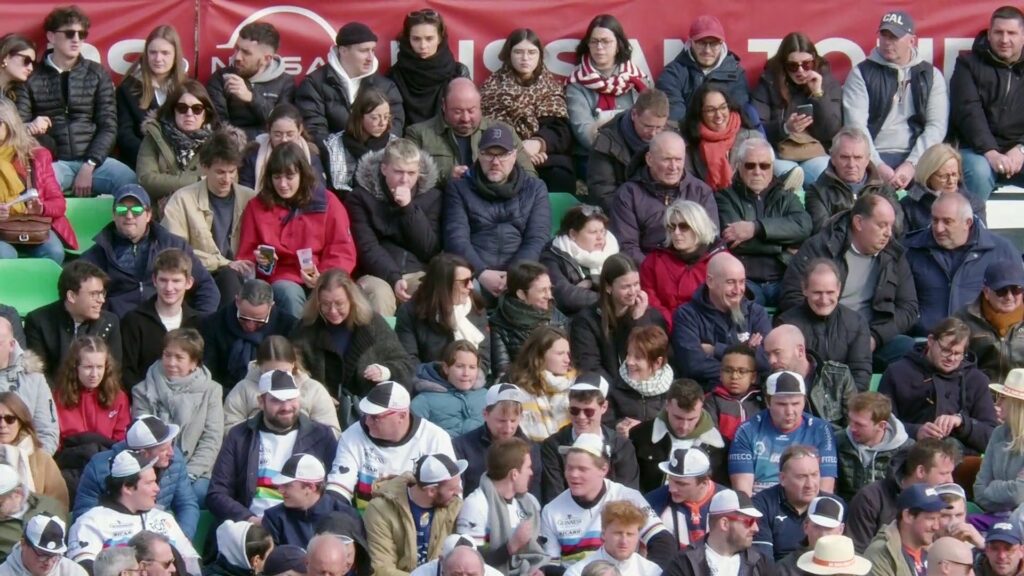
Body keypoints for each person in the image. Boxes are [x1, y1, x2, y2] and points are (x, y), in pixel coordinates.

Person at [780, 193, 917, 371]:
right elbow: (792, 296)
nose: (888, 233)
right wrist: (830, 335)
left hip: (870, 338)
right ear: (859, 222)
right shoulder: (821, 246)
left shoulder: (894, 255)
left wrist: (875, 337)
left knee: (906, 347)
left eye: (891, 226)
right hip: (822, 339)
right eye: (882, 225)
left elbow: (909, 308)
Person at [14, 6, 136, 197]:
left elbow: (109, 125)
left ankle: (120, 227)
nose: (77, 39)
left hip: (96, 163)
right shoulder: (31, 77)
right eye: (70, 33)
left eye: (82, 34)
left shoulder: (97, 73)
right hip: (54, 163)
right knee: (36, 187)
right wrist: (35, 133)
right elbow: (19, 127)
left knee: (129, 182)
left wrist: (90, 165)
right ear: (51, 37)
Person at [238, 144, 357, 317]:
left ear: (302, 174)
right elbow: (246, 255)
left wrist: (323, 277)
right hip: (281, 279)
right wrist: (259, 262)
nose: (283, 184)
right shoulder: (256, 206)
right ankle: (299, 343)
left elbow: (342, 250)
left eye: (290, 176)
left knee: (348, 296)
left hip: (324, 276)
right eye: (276, 177)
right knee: (289, 293)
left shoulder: (328, 202)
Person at [207, 370, 338, 523]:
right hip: (252, 527)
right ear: (261, 402)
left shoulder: (321, 435)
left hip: (303, 525)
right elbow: (217, 493)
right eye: (277, 400)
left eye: (291, 399)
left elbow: (332, 490)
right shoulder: (240, 435)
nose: (287, 407)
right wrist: (249, 519)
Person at [843, 11, 948, 190]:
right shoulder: (861, 73)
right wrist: (877, 165)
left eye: (895, 37)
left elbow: (936, 127)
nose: (887, 42)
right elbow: (856, 126)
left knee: (943, 190)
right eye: (884, 35)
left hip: (918, 155)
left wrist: (912, 164)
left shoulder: (931, 75)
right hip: (873, 153)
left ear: (911, 40)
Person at [442, 125, 549, 302]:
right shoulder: (458, 188)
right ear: (479, 154)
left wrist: (515, 276)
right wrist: (481, 273)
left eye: (503, 154)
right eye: (488, 153)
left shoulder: (535, 188)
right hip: (473, 272)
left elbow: (537, 238)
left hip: (521, 272)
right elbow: (456, 238)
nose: (495, 161)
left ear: (514, 156)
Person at [80, 184, 219, 318]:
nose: (129, 216)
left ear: (148, 215)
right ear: (114, 215)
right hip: (119, 328)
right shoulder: (98, 253)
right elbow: (80, 294)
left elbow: (207, 287)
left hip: (167, 326)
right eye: (122, 210)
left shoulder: (174, 245)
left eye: (136, 210)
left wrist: (199, 323)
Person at [539, 433, 675, 567]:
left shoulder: (629, 497)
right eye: (569, 468)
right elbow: (551, 567)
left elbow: (663, 541)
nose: (574, 475)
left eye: (582, 469)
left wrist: (651, 572)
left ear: (604, 469)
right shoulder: (551, 510)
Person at [346, 138, 442, 316]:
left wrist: (408, 209)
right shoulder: (360, 197)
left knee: (434, 291)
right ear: (384, 169)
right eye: (398, 172)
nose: (405, 180)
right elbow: (367, 247)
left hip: (417, 271)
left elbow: (428, 249)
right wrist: (394, 278)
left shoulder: (433, 197)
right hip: (375, 273)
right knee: (380, 295)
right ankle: (384, 344)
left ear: (419, 172)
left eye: (411, 173)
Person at [162, 129, 256, 307]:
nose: (227, 179)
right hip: (199, 274)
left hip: (243, 273)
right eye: (220, 172)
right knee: (228, 277)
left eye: (232, 172)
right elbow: (176, 251)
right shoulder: (182, 200)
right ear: (205, 167)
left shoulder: (250, 198)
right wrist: (224, 263)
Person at [327, 381, 455, 510]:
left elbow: (451, 493)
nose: (367, 421)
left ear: (402, 415)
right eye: (366, 414)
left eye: (375, 417)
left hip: (418, 521)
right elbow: (339, 487)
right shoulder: (352, 435)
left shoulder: (435, 438)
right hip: (364, 521)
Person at [879, 317, 998, 455]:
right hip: (910, 455)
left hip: (961, 460)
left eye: (958, 353)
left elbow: (992, 437)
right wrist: (916, 431)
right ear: (930, 341)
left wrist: (962, 423)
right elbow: (882, 424)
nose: (952, 358)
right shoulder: (898, 372)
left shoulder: (976, 380)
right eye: (946, 350)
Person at [905, 193, 1021, 333]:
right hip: (923, 342)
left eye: (947, 221)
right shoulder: (911, 249)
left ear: (968, 223)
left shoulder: (1001, 251)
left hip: (982, 344)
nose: (938, 228)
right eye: (935, 220)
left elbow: (1018, 299)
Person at [717, 137, 812, 306]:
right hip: (746, 281)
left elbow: (804, 227)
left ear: (772, 167)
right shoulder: (724, 197)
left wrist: (755, 228)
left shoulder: (786, 196)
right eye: (750, 165)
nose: (757, 171)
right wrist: (782, 245)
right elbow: (733, 240)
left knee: (803, 308)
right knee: (747, 313)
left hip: (784, 278)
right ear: (738, 166)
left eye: (764, 165)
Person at [131, 328, 223, 503]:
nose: (171, 362)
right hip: (154, 467)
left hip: (196, 470)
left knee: (197, 494)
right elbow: (143, 437)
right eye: (167, 355)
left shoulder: (212, 391)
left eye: (179, 357)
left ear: (194, 363)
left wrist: (190, 473)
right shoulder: (142, 390)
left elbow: (212, 437)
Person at [291, 269, 413, 401]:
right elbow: (294, 370)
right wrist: (318, 396)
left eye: (339, 304)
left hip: (369, 405)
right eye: (325, 304)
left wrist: (385, 371)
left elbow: (405, 365)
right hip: (320, 408)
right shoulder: (306, 328)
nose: (332, 311)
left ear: (352, 300)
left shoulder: (373, 323)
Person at [68, 451, 199, 573]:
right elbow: (83, 570)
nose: (157, 489)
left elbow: (192, 562)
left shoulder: (165, 518)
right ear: (127, 487)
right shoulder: (91, 522)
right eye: (150, 483)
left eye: (156, 482)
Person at [481, 28, 574, 194]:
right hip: (504, 154)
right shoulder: (492, 87)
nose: (525, 58)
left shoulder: (549, 87)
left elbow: (560, 130)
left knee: (561, 175)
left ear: (540, 56)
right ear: (509, 54)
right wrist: (521, 153)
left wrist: (537, 144)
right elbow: (490, 129)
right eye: (518, 52)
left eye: (532, 52)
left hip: (545, 155)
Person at [73, 415, 198, 538]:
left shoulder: (175, 459)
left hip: (159, 536)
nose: (171, 453)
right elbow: (83, 517)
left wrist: (180, 540)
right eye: (163, 449)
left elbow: (187, 504)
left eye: (172, 444)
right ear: (144, 454)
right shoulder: (99, 467)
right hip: (115, 537)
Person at [948, 6, 1024, 201]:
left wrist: (1021, 148)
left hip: (1019, 149)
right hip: (976, 151)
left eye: (1012, 33)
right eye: (998, 32)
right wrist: (991, 152)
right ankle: (974, 228)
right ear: (989, 34)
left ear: (1023, 35)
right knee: (979, 172)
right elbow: (968, 112)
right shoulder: (967, 64)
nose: (1004, 39)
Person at [295, 21, 404, 157]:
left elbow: (395, 127)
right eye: (364, 51)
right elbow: (314, 131)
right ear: (343, 50)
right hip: (332, 165)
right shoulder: (314, 84)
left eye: (372, 50)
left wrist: (369, 155)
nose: (370, 57)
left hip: (378, 162)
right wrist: (347, 155)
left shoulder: (385, 86)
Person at [407, 79, 536, 191]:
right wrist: (445, 176)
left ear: (481, 105)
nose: (465, 118)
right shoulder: (418, 134)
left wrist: (500, 176)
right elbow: (406, 178)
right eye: (457, 111)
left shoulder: (503, 131)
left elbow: (531, 177)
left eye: (471, 110)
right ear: (443, 105)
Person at [610, 132, 717, 266]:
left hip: (694, 270)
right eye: (666, 159)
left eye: (678, 159)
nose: (673, 167)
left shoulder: (701, 191)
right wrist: (659, 273)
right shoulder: (628, 194)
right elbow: (627, 246)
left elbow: (710, 239)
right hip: (649, 273)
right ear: (649, 159)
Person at [751, 32, 842, 184]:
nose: (800, 71)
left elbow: (832, 131)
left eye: (806, 64)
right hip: (779, 152)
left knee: (825, 172)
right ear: (783, 65)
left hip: (816, 152)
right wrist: (785, 128)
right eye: (793, 66)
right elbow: (756, 127)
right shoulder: (769, 82)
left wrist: (818, 94)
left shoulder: (826, 81)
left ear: (814, 61)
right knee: (791, 173)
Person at [671, 252, 771, 388]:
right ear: (710, 281)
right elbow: (693, 365)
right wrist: (748, 354)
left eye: (742, 282)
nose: (738, 290)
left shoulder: (757, 314)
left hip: (751, 397)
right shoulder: (686, 315)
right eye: (730, 282)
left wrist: (716, 350)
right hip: (707, 396)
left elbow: (767, 361)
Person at [729, 371, 838, 495]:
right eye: (782, 404)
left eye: (796, 404)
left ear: (804, 401)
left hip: (806, 501)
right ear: (767, 402)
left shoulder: (821, 429)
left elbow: (825, 489)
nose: (790, 411)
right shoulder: (746, 430)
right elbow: (743, 493)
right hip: (761, 503)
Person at [540, 374, 640, 503]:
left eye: (588, 412)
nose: (581, 417)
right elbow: (554, 497)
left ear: (603, 407)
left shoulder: (621, 446)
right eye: (574, 410)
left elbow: (628, 498)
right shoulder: (553, 446)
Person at [776, 259, 873, 391]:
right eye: (817, 293)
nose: (824, 300)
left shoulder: (856, 323)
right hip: (802, 402)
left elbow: (861, 374)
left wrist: (845, 405)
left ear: (839, 289)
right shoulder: (787, 324)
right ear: (804, 289)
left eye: (830, 292)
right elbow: (785, 373)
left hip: (845, 403)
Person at [845, 438, 956, 552]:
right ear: (921, 471)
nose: (950, 480)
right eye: (944, 473)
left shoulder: (943, 499)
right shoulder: (871, 498)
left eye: (951, 473)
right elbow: (856, 551)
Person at [0, 99, 78, 263]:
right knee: (6, 255)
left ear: (10, 124)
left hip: (30, 225)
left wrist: (41, 208)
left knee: (54, 252)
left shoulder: (36, 157)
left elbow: (59, 203)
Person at [364, 453, 466, 575]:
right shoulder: (380, 509)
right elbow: (382, 569)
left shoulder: (455, 506)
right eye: (451, 489)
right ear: (432, 491)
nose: (458, 492)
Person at [455, 438, 546, 574]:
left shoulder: (529, 504)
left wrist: (538, 570)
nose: (531, 473)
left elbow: (537, 550)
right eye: (528, 467)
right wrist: (511, 547)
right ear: (514, 474)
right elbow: (468, 562)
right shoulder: (476, 504)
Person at [572, 253, 666, 383]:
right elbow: (591, 367)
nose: (633, 292)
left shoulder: (652, 317)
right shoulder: (586, 321)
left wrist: (638, 321)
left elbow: (659, 360)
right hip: (609, 394)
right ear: (608, 287)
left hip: (647, 390)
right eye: (626, 286)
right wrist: (619, 394)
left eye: (636, 284)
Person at [52, 337, 129, 491]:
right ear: (75, 367)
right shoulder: (58, 397)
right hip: (71, 464)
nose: (94, 374)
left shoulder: (119, 397)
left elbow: (121, 441)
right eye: (88, 367)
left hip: (107, 462)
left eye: (99, 367)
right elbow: (56, 442)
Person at [119, 249, 204, 387]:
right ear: (154, 280)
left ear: (189, 283)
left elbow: (203, 369)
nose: (169, 288)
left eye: (176, 281)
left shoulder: (199, 322)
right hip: (145, 401)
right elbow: (126, 372)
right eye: (163, 280)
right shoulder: (133, 320)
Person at [396, 253, 490, 377]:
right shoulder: (411, 312)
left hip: (472, 382)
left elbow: (484, 355)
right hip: (429, 383)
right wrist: (441, 379)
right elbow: (409, 360)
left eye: (471, 279)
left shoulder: (476, 306)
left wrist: (467, 378)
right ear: (444, 285)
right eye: (465, 282)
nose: (471, 286)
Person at [224, 335, 339, 435]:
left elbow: (332, 432)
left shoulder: (313, 390)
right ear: (259, 366)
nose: (276, 376)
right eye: (269, 372)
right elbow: (228, 428)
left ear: (293, 365)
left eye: (283, 371)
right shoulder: (243, 389)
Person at [24, 261, 120, 382]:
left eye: (102, 293)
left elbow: (113, 373)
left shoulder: (110, 322)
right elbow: (37, 375)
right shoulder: (38, 321)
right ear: (71, 296)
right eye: (94, 294)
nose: (101, 300)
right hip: (53, 396)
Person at [566, 15, 648, 152]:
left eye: (605, 41)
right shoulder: (576, 83)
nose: (599, 47)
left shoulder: (638, 80)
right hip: (594, 155)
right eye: (594, 41)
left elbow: (651, 121)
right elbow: (584, 133)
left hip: (636, 152)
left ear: (618, 45)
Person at [630, 378, 728, 493]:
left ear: (702, 408)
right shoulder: (640, 435)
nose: (684, 426)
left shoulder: (719, 446)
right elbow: (631, 485)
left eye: (691, 419)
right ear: (667, 405)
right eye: (678, 417)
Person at [640, 200, 726, 328]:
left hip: (708, 330)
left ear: (699, 227)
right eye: (672, 227)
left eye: (683, 226)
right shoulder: (654, 261)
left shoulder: (721, 261)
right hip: (664, 329)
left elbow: (725, 302)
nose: (676, 233)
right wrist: (673, 325)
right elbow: (651, 300)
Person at [136, 81, 221, 208]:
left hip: (204, 211)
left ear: (205, 114)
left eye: (197, 109)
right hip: (160, 214)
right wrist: (198, 181)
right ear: (173, 111)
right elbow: (146, 180)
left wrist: (168, 181)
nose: (189, 114)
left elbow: (223, 183)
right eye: (182, 108)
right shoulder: (154, 137)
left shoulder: (218, 144)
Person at [803, 127, 902, 234]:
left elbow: (897, 226)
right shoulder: (817, 191)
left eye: (858, 157)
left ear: (867, 159)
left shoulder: (884, 188)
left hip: (881, 250)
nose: (851, 164)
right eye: (844, 157)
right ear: (833, 158)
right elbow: (823, 232)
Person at [201, 280, 297, 389]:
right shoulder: (213, 323)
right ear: (237, 301)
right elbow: (208, 371)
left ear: (271, 306)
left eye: (259, 321)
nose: (250, 326)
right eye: (244, 318)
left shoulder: (288, 326)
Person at [207, 22, 295, 140]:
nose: (237, 57)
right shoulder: (221, 77)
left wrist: (251, 98)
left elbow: (283, 126)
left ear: (267, 59)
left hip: (271, 149)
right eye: (237, 49)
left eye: (246, 53)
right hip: (232, 148)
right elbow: (218, 125)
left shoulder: (285, 83)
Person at [751, 446, 841, 561]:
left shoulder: (835, 506)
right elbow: (763, 562)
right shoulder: (762, 505)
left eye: (814, 475)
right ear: (783, 479)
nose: (810, 484)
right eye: (801, 477)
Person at [656, 15, 751, 123]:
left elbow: (737, 116)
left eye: (714, 44)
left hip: (726, 136)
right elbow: (674, 118)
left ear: (722, 44)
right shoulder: (672, 74)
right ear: (691, 42)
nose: (707, 50)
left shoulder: (736, 74)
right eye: (701, 43)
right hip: (686, 136)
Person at [452, 384, 542, 498]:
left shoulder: (531, 449)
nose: (508, 428)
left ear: (521, 417)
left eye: (513, 421)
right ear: (485, 414)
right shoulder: (462, 446)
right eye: (501, 421)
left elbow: (534, 494)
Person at [586, 89, 670, 210]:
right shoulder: (605, 143)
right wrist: (635, 217)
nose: (653, 133)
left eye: (659, 127)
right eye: (647, 126)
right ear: (634, 114)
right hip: (625, 214)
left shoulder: (674, 137)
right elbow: (602, 194)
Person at [116, 26, 186, 168]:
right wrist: (150, 159)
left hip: (180, 164)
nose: (158, 58)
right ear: (146, 54)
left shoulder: (187, 89)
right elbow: (124, 134)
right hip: (139, 163)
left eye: (165, 53)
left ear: (175, 55)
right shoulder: (128, 88)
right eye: (153, 52)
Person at [762, 325, 857, 430]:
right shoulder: (769, 383)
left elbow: (852, 426)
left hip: (834, 441)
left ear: (800, 351)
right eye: (768, 355)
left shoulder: (838, 375)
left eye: (777, 353)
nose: (771, 361)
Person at [660, 489, 772, 576]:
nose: (756, 528)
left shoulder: (760, 562)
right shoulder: (684, 562)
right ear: (724, 523)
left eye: (757, 521)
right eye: (750, 521)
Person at [389, 9, 469, 127]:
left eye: (429, 38)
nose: (423, 46)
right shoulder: (395, 75)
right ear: (408, 39)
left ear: (440, 38)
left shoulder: (458, 72)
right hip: (408, 142)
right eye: (416, 39)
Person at [262, 453, 359, 547]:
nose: (280, 490)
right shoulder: (274, 518)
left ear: (311, 487)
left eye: (287, 485)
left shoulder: (347, 516)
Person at [490, 263, 570, 377]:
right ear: (521, 294)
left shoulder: (558, 319)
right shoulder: (499, 324)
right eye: (542, 290)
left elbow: (570, 362)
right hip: (524, 386)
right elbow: (502, 372)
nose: (549, 295)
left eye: (550, 289)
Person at [680, 82, 762, 192]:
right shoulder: (689, 144)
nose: (718, 115)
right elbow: (690, 186)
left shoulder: (753, 139)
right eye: (710, 110)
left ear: (730, 107)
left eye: (723, 107)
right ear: (699, 113)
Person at [541, 205, 620, 316]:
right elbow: (565, 296)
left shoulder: (612, 252)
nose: (600, 237)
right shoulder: (552, 256)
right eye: (593, 232)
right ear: (573, 234)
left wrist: (592, 281)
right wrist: (611, 299)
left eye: (602, 231)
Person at [835, 392, 913, 503]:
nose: (852, 428)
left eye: (859, 424)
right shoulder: (838, 441)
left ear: (881, 426)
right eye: (850, 420)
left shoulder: (906, 450)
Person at [954, 261, 1024, 383]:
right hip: (979, 393)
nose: (1009, 297)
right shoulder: (963, 319)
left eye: (1016, 289)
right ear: (986, 292)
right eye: (1001, 291)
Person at [644, 447, 726, 549]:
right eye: (670, 480)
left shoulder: (730, 502)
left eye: (681, 484)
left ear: (704, 483)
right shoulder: (651, 502)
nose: (671, 489)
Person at [504, 326, 575, 442]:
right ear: (540, 355)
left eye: (568, 353)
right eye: (560, 353)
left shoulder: (577, 386)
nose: (567, 359)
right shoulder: (516, 390)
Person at [0, 323, 60, 457]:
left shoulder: (33, 378)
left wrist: (31, 464)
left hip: (25, 463)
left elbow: (47, 432)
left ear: (11, 345)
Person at [323, 88, 397, 194]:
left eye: (386, 117)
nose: (383, 123)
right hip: (348, 201)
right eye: (375, 118)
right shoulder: (335, 144)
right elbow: (338, 186)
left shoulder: (395, 145)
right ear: (359, 117)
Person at [240, 103, 326, 193]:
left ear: (300, 130)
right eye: (277, 134)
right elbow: (246, 192)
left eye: (290, 134)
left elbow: (318, 190)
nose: (284, 140)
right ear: (269, 131)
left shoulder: (310, 155)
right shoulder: (254, 156)